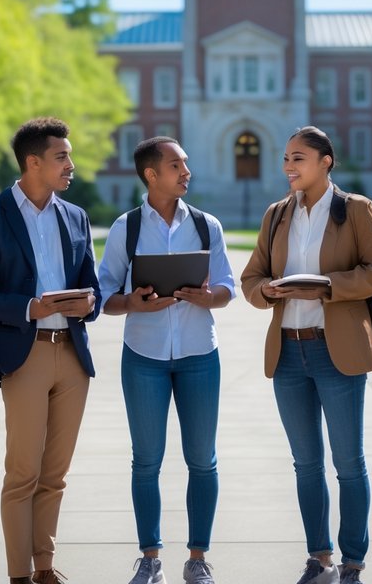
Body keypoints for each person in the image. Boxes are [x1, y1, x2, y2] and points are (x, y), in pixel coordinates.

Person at [240, 126, 372, 584]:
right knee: (305, 464)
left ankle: (352, 563)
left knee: (348, 463)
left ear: (326, 161)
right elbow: (251, 279)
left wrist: (328, 288)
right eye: (286, 158)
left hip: (336, 351)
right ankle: (319, 558)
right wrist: (266, 289)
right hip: (288, 353)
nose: (288, 166)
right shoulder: (276, 215)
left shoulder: (356, 210)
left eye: (298, 158)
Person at [0, 117, 100, 584]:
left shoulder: (75, 216)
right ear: (33, 162)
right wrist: (28, 308)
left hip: (72, 358)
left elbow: (92, 287)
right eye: (62, 157)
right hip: (26, 355)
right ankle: (18, 574)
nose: (71, 165)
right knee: (23, 472)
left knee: (55, 474)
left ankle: (45, 567)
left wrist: (88, 301)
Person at [98, 137, 234, 584]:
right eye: (176, 165)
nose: (186, 172)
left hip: (199, 355)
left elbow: (226, 289)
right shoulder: (127, 228)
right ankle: (150, 558)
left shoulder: (206, 225)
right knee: (146, 461)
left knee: (203, 460)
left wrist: (207, 296)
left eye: (187, 164)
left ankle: (197, 559)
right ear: (151, 174)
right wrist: (133, 303)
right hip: (143, 357)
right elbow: (105, 295)